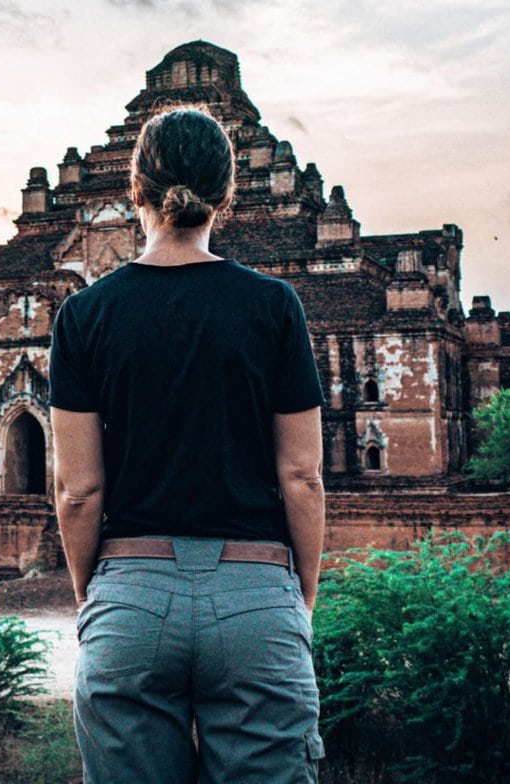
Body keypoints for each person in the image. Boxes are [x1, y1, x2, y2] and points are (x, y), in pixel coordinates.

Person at [49, 105, 327, 784]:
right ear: (227, 195)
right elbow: (302, 476)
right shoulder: (272, 305)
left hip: (130, 591)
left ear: (134, 190)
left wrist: (99, 598)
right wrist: (299, 597)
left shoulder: (84, 313)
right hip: (255, 588)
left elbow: (77, 490)